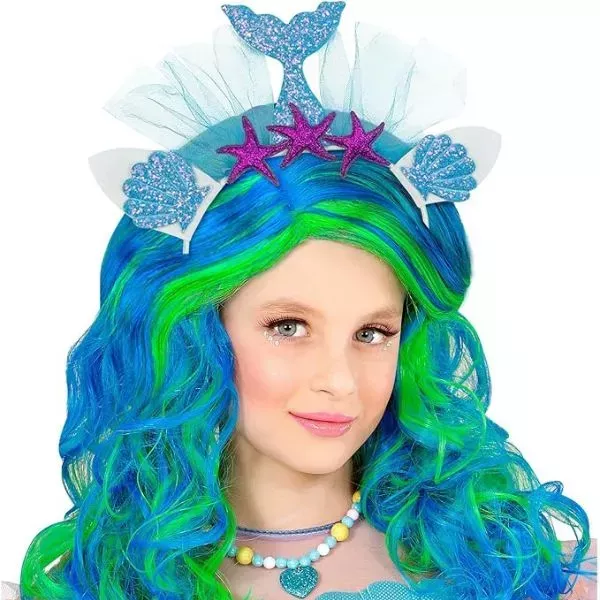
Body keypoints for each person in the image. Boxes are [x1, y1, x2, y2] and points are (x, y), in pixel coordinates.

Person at [3, 2, 596, 599]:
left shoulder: (516, 566)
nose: (339, 380)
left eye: (372, 333)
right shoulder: (101, 585)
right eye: (288, 327)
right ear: (195, 333)